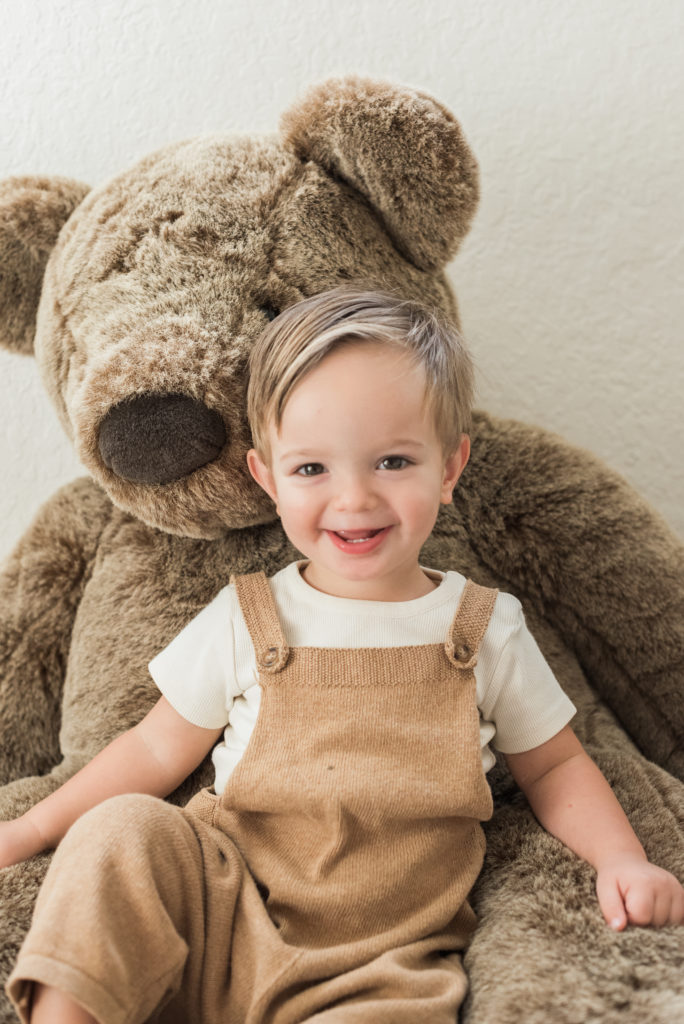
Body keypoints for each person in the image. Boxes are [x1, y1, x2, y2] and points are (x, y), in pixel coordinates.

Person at [2, 288, 683, 1024]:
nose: (354, 499)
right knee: (125, 831)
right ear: (267, 478)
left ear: (449, 469)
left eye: (392, 460)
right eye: (311, 470)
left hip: (384, 958)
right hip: (223, 909)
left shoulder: (483, 628)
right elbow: (152, 747)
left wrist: (621, 860)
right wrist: (34, 829)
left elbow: (554, 765)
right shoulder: (250, 614)